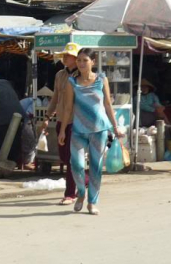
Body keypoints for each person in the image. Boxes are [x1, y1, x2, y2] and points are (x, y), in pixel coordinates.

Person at [59, 48, 125, 215]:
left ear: (93, 62)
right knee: (77, 165)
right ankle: (81, 193)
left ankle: (92, 202)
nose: (81, 63)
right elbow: (68, 108)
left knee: (95, 168)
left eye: (85, 60)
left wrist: (115, 127)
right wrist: (62, 130)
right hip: (78, 130)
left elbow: (108, 105)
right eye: (79, 60)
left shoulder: (101, 80)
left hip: (100, 130)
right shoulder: (71, 82)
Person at [42, 42, 81, 205]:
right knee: (64, 157)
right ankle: (85, 179)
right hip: (60, 121)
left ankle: (70, 194)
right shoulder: (60, 75)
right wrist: (46, 116)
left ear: (76, 58)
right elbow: (55, 98)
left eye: (68, 55)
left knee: (72, 158)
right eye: (64, 55)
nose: (65, 58)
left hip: (76, 122)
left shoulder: (83, 76)